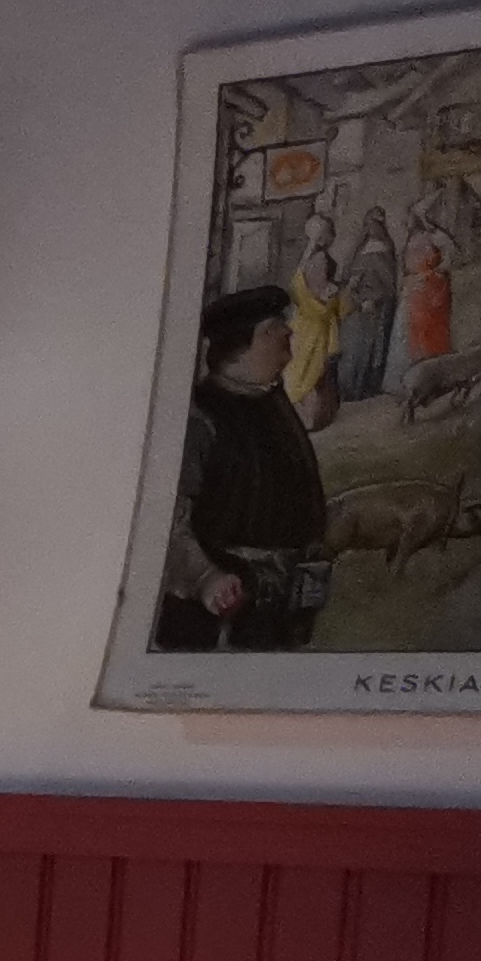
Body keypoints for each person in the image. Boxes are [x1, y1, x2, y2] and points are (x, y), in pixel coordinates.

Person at [154, 285, 339, 647]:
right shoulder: (200, 418)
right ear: (239, 346)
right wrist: (206, 578)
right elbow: (169, 519)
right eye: (274, 330)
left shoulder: (271, 400)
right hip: (216, 615)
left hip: (280, 604)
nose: (289, 335)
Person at [338, 207, 399, 401]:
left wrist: (373, 298)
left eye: (374, 224)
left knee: (373, 348)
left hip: (376, 305)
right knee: (354, 347)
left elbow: (387, 281)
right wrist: (353, 290)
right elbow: (349, 273)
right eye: (368, 224)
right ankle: (350, 388)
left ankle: (365, 387)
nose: (370, 228)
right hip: (358, 304)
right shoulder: (360, 247)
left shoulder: (383, 248)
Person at [281, 245, 347, 411]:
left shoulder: (332, 288)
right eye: (314, 262)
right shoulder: (302, 285)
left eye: (322, 263)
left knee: (314, 372)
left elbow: (341, 311)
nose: (318, 266)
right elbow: (314, 309)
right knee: (295, 369)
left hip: (320, 335)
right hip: (301, 333)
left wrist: (343, 294)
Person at [394, 215, 453, 384]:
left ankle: (433, 371)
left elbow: (445, 258)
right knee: (412, 332)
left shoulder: (432, 238)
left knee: (431, 330)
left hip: (429, 287)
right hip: (416, 291)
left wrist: (432, 273)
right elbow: (406, 264)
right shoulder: (410, 241)